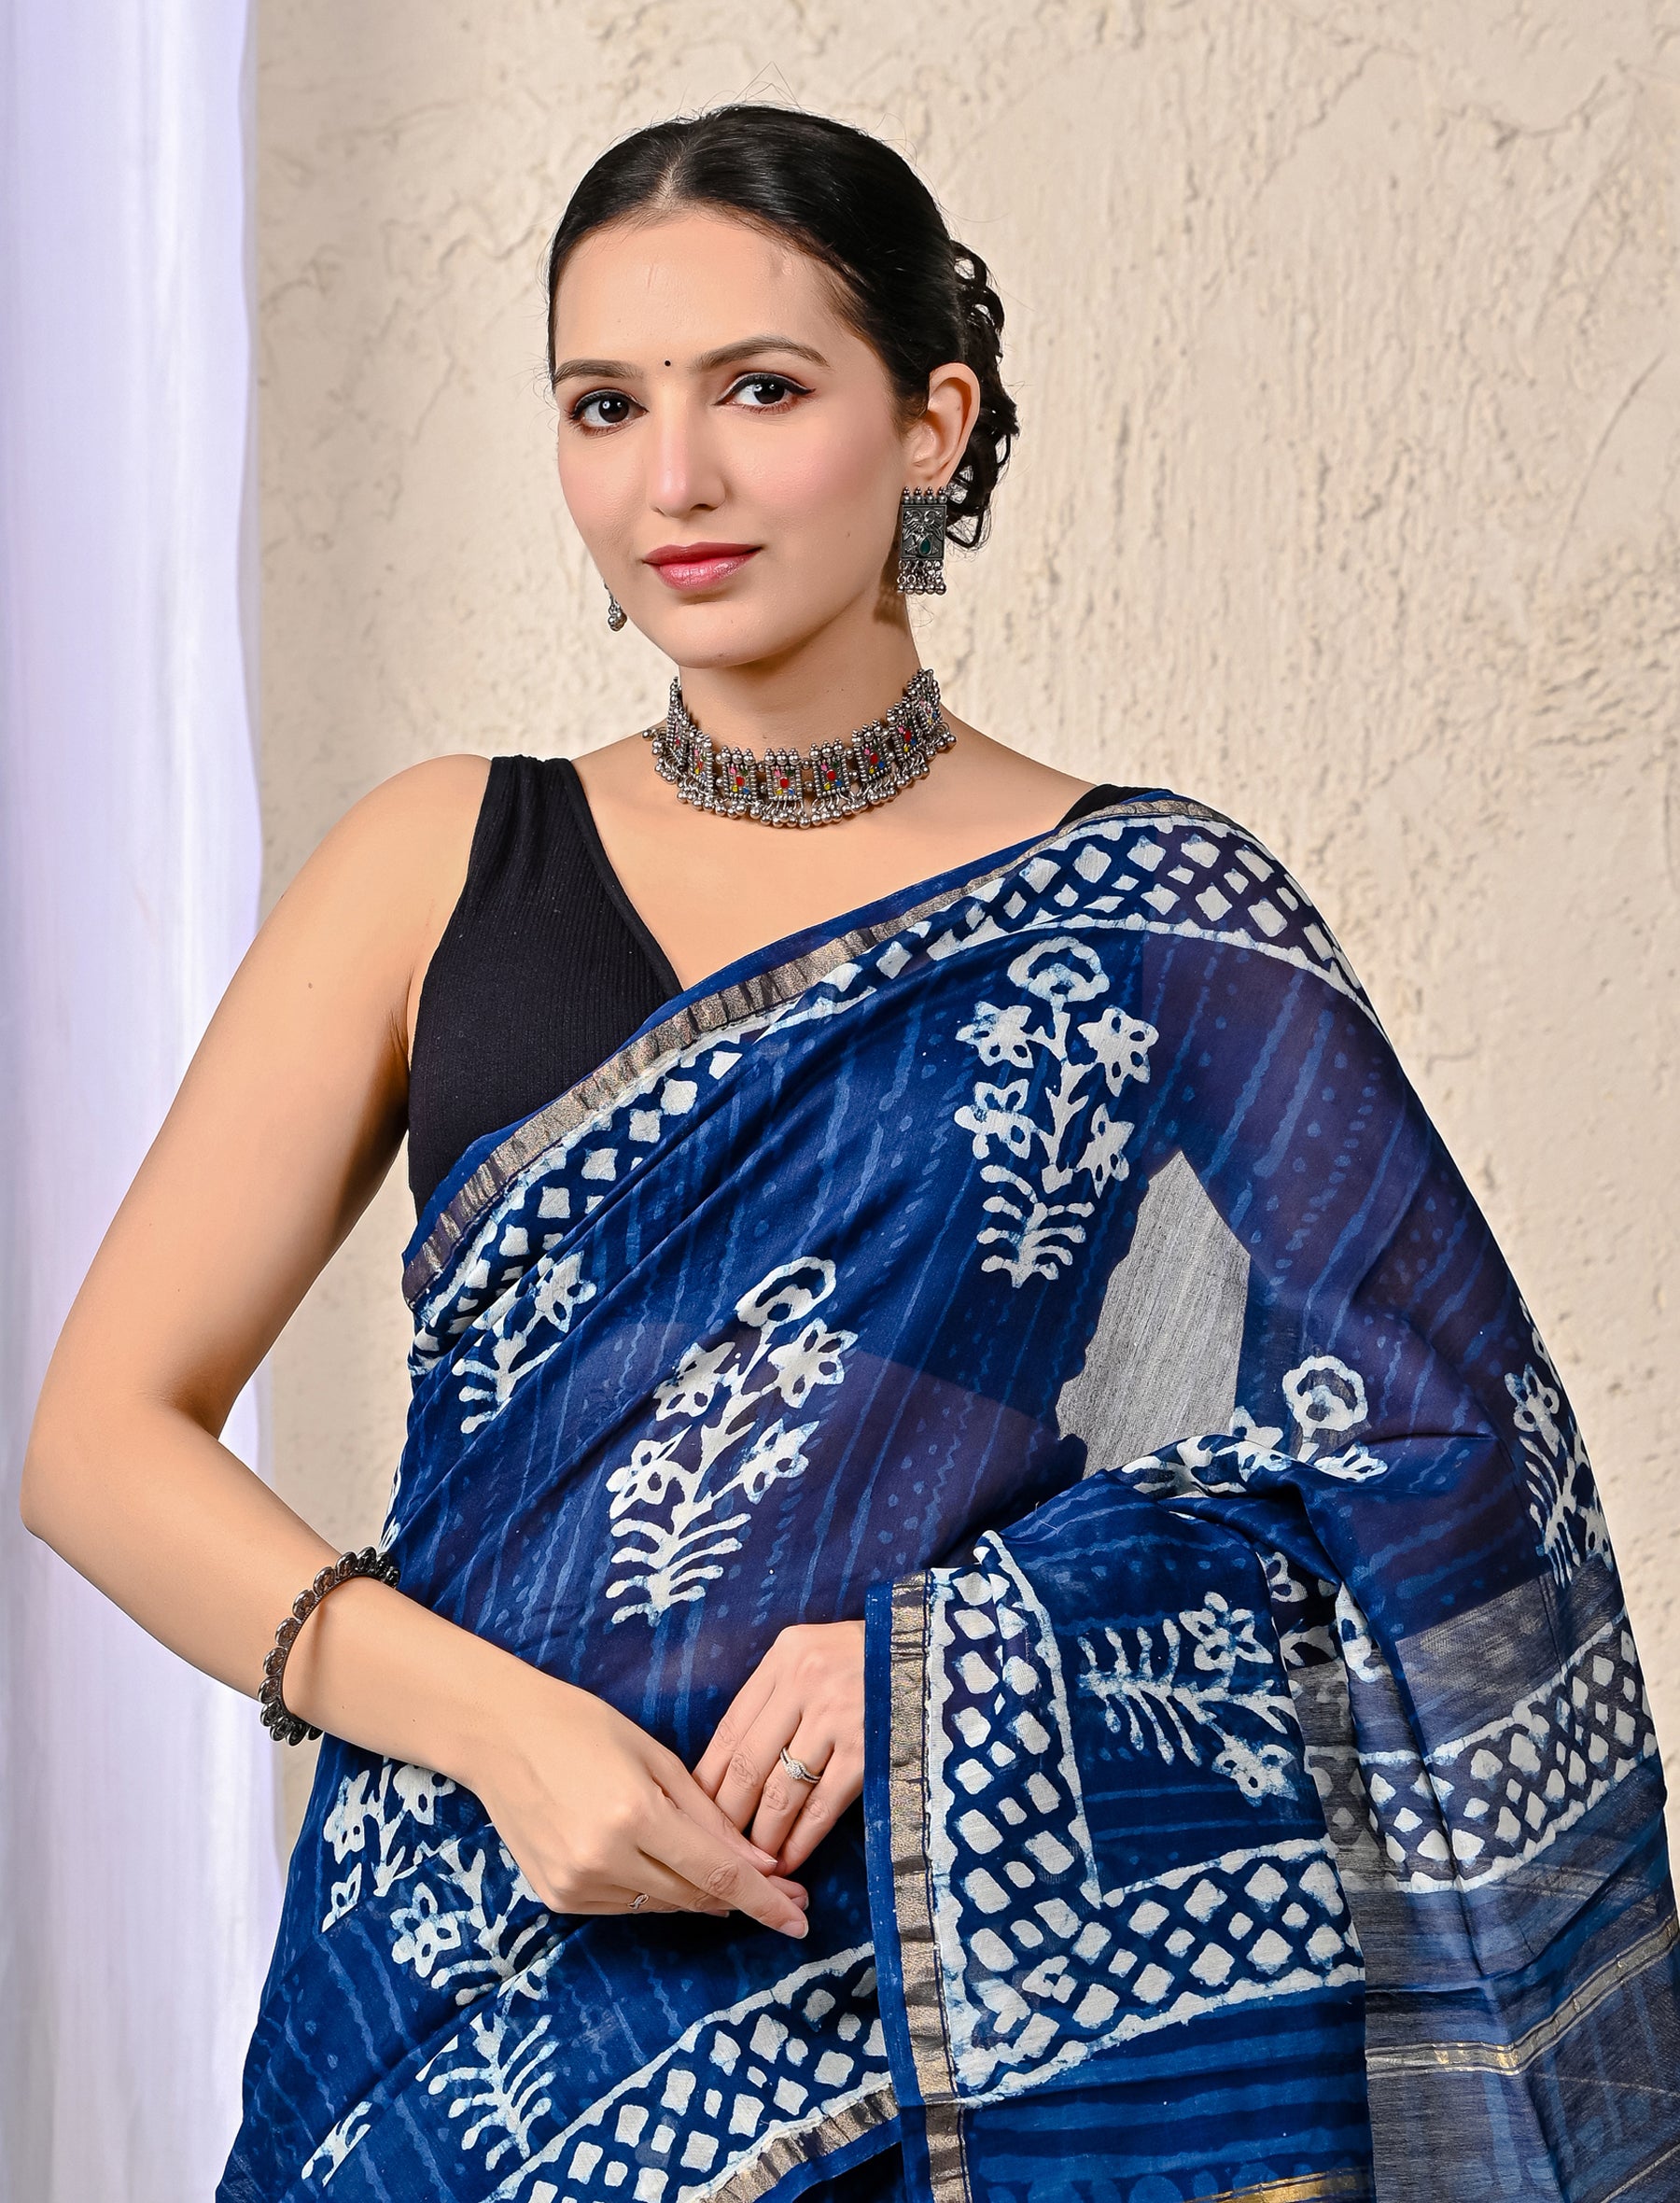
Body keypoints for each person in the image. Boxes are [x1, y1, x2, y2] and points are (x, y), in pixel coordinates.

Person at [20, 105, 1678, 2203]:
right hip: (447, 1991)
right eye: (605, 406)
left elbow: (1440, 1463)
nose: (674, 481)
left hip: (930, 2037)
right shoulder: (439, 861)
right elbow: (97, 1441)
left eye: (762, 390)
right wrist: (496, 1730)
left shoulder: (1161, 923)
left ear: (930, 424)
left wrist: (945, 1657)